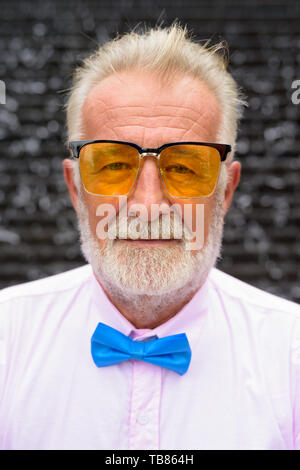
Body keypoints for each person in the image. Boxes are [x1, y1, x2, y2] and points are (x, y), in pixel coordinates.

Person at [0, 23, 299, 451]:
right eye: (113, 166)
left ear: (226, 191)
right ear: (74, 189)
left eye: (184, 168)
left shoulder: (291, 356)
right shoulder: (6, 341)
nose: (147, 205)